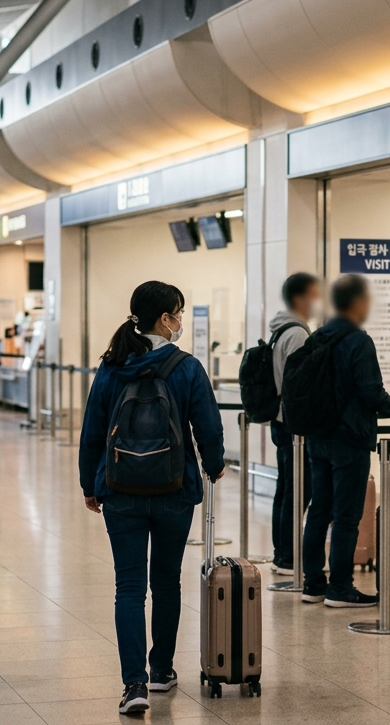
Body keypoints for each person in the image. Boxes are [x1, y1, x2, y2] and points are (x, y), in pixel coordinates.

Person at [79, 281, 224, 716]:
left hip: (120, 489)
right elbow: (208, 426)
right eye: (176, 313)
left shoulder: (112, 366)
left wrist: (90, 485)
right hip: (174, 490)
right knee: (166, 583)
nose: (179, 320)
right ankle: (161, 670)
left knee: (128, 587)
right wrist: (213, 465)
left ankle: (134, 684)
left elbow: (92, 432)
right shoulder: (186, 367)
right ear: (165, 319)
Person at [299, 274, 390, 608]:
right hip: (349, 439)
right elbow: (370, 392)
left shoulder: (318, 336)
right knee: (346, 516)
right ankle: (341, 588)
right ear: (359, 302)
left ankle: (313, 584)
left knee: (319, 509)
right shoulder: (358, 340)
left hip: (318, 436)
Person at [267, 272, 320, 576]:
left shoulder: (280, 329)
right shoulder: (298, 334)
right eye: (314, 295)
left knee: (286, 487)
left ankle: (282, 552)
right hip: (295, 425)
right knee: (298, 489)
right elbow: (301, 384)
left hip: (280, 420)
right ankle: (287, 556)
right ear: (301, 298)